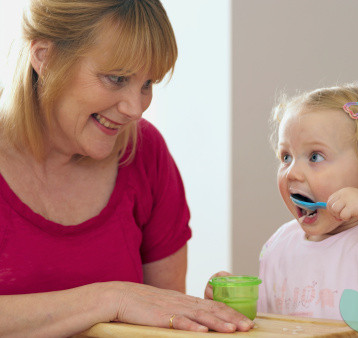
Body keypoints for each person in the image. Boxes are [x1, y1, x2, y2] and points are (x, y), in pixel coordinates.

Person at [0, 0, 254, 336]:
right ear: (45, 57)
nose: (136, 109)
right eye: (116, 78)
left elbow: (166, 318)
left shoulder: (145, 152)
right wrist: (111, 298)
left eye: (147, 83)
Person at [205, 83, 358, 321]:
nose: (292, 172)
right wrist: (234, 306)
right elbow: (270, 321)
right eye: (286, 157)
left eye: (315, 156)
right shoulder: (279, 245)